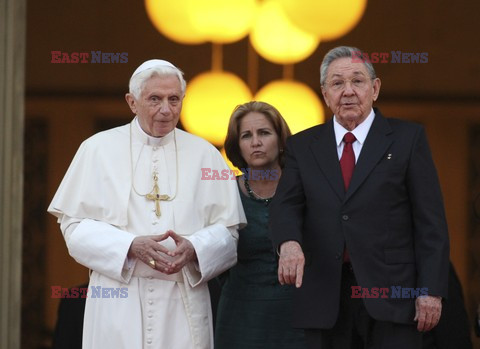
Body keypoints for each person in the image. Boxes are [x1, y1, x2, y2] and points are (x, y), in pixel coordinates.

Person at [48, 59, 246, 349]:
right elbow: (73, 228)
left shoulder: (205, 155)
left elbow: (230, 233)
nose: (166, 109)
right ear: (132, 102)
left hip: (183, 300)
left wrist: (195, 248)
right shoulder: (97, 149)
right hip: (118, 297)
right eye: (155, 99)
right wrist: (129, 246)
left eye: (174, 99)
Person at [269, 46, 450, 349]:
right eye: (337, 83)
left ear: (375, 88)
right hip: (325, 295)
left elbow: (430, 222)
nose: (348, 91)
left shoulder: (408, 139)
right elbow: (285, 205)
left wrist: (430, 291)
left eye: (358, 81)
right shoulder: (303, 146)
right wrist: (288, 243)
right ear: (325, 94)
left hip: (393, 298)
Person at [215, 101, 306, 348]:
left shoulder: (307, 189)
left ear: (280, 139)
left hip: (300, 320)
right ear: (238, 145)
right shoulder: (224, 193)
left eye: (264, 133)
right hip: (239, 319)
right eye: (246, 135)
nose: (256, 142)